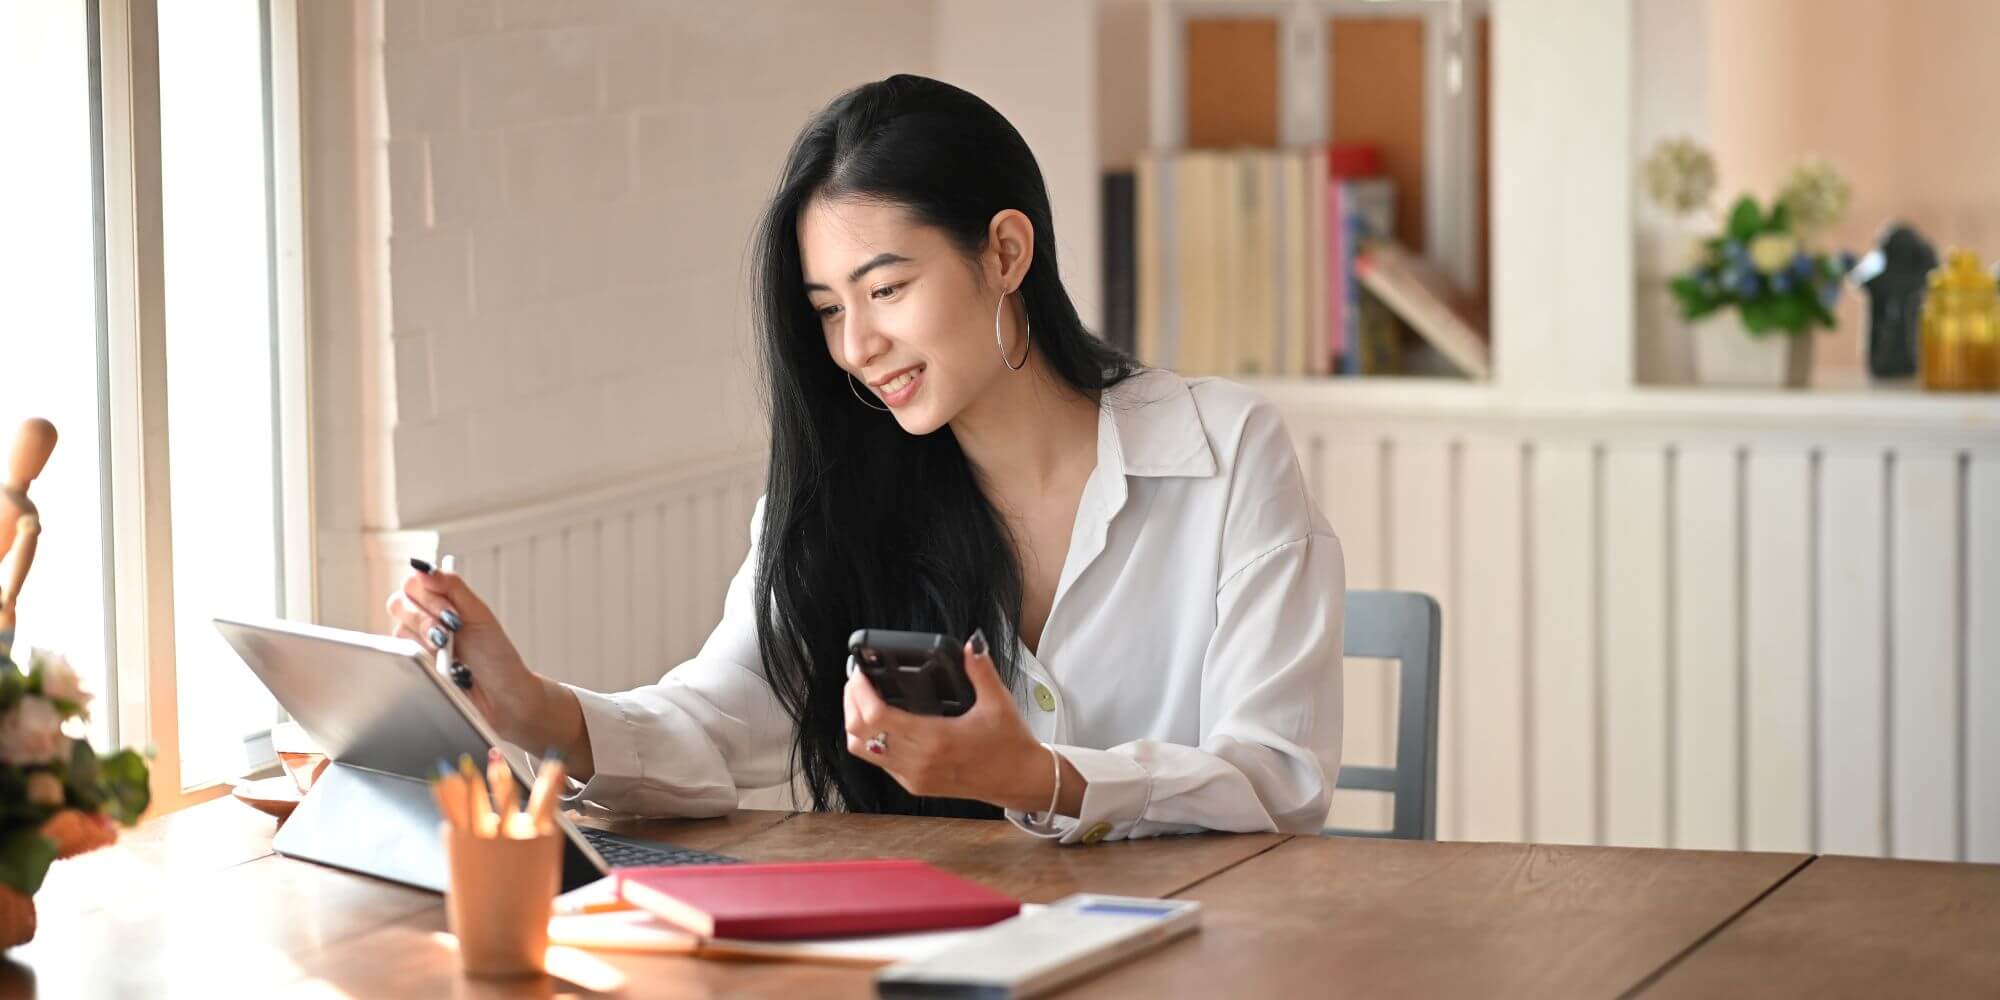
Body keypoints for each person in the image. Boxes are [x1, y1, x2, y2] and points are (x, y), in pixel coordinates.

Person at [387, 75, 1343, 844]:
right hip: (929, 951)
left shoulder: (1225, 451)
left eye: (885, 288)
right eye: (829, 310)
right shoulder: (843, 491)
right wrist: (532, 709)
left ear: (1006, 252)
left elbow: (1278, 778)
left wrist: (1039, 776)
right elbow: (721, 720)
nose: (855, 347)